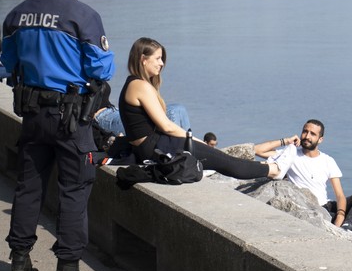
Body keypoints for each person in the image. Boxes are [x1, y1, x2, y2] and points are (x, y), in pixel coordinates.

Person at [1, 0, 115, 271]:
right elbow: (102, 66)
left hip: (33, 113)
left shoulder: (17, 15)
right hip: (71, 117)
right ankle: (66, 270)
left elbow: (8, 63)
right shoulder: (82, 15)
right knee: (75, 190)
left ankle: (19, 266)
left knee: (28, 187)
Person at [118, 37, 281, 180]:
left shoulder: (133, 83)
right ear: (143, 59)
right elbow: (166, 126)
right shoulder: (140, 85)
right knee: (226, 161)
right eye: (158, 58)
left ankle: (268, 168)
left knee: (219, 158)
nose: (162, 63)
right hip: (156, 148)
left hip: (150, 147)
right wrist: (191, 138)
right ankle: (272, 170)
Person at [254, 120, 352, 231]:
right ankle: (348, 226)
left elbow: (339, 195)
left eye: (312, 134)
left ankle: (346, 226)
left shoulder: (328, 160)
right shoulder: (290, 155)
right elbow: (257, 150)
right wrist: (285, 141)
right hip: (313, 208)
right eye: (305, 132)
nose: (307, 136)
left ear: (320, 139)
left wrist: (340, 216)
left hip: (328, 205)